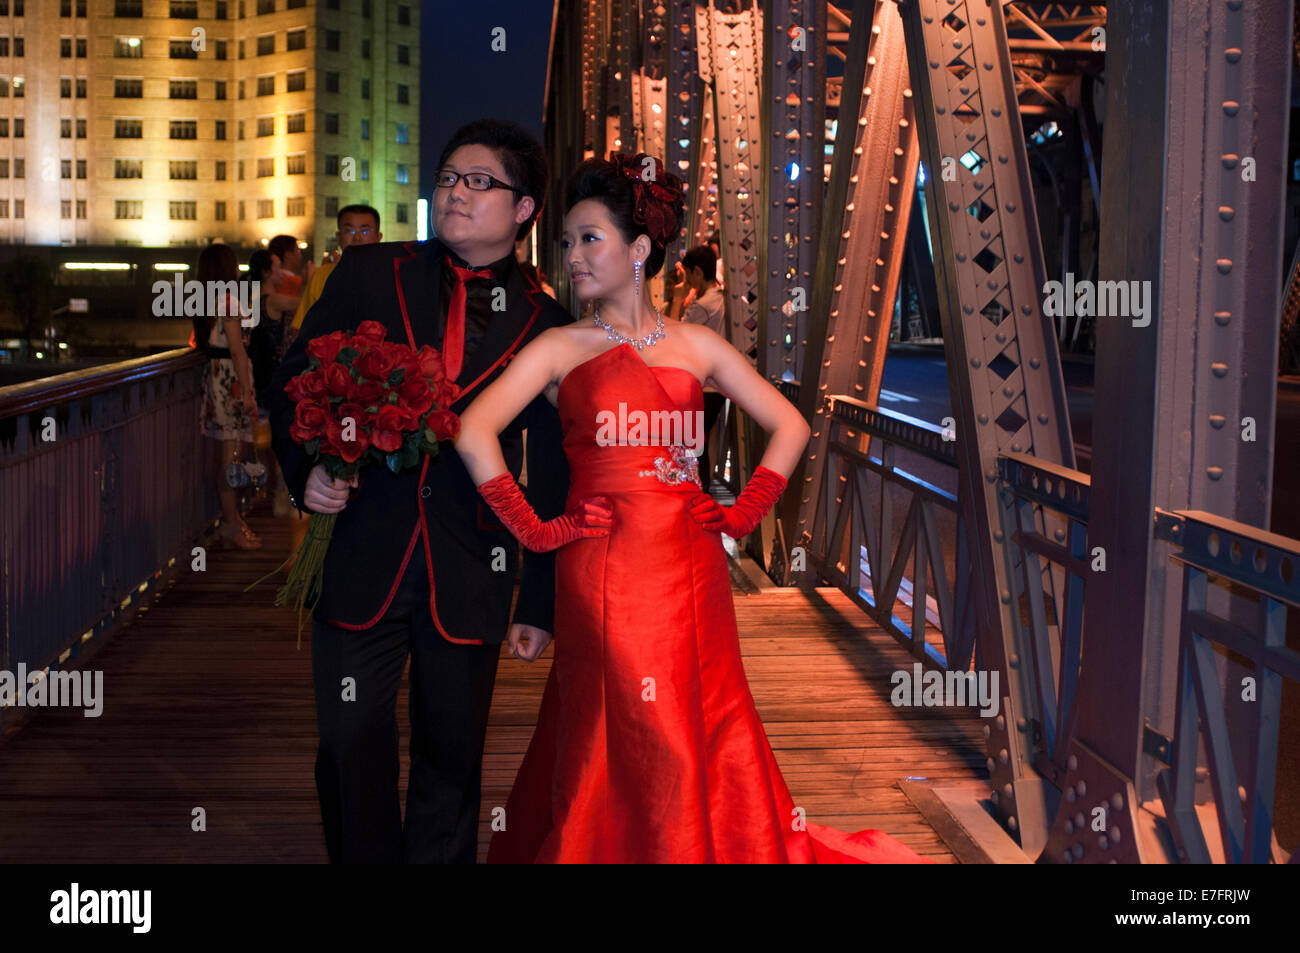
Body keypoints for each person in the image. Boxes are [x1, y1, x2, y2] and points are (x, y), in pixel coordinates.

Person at [455, 152, 926, 863]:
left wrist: (742, 514)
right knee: (613, 713)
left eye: (590, 239)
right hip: (601, 565)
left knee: (695, 712)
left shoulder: (698, 344)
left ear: (639, 250)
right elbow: (471, 428)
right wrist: (535, 530)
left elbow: (792, 424)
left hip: (690, 565)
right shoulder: (558, 347)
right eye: (568, 241)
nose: (573, 256)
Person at [267, 118, 572, 864]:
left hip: (473, 565)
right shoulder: (374, 274)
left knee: (452, 757)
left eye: (479, 182)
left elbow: (557, 464)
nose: (455, 194)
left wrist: (537, 598)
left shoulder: (548, 323)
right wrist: (305, 472)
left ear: (524, 209)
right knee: (348, 738)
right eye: (447, 179)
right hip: (362, 548)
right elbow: (291, 382)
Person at [195, 242, 262, 550]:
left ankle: (232, 520)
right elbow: (237, 348)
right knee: (230, 457)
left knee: (228, 455)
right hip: (231, 384)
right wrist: (247, 392)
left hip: (217, 380)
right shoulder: (229, 301)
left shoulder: (206, 300)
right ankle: (232, 523)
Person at [675, 245, 728, 486]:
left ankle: (699, 491)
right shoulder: (724, 299)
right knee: (700, 442)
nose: (686, 280)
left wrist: (678, 300)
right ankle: (702, 490)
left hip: (702, 385)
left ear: (697, 272)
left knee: (693, 443)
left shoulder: (702, 306)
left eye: (687, 273)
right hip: (720, 383)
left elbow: (674, 335)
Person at [292, 204, 384, 334]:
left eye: (365, 231)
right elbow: (301, 328)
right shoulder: (322, 275)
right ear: (338, 236)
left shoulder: (390, 274)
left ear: (378, 237)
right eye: (349, 231)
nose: (357, 238)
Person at [267, 234, 308, 298]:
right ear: (288, 255)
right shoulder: (297, 281)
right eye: (298, 250)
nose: (300, 255)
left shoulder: (268, 281)